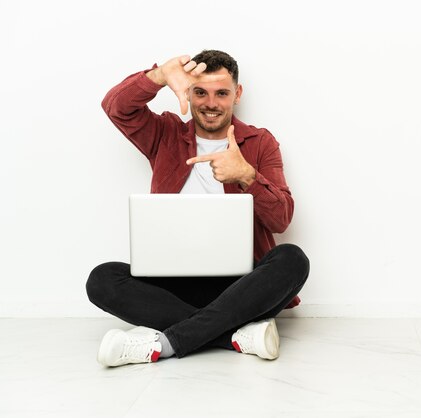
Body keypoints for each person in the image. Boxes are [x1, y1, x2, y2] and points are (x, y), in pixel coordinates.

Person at [86, 50, 309, 367]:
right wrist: (160, 75)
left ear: (237, 94)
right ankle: (234, 336)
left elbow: (281, 219)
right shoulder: (165, 134)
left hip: (240, 287)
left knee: (293, 259)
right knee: (102, 279)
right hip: (171, 286)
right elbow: (116, 107)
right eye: (200, 92)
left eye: (222, 93)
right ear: (188, 92)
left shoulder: (260, 142)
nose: (211, 103)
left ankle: (164, 344)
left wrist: (246, 176)